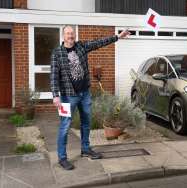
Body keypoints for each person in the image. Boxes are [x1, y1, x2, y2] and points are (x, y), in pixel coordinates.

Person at [50, 25, 130, 170]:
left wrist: (118, 37)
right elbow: (54, 76)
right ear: (63, 36)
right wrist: (56, 96)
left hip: (84, 93)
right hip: (67, 97)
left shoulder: (81, 46)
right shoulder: (57, 53)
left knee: (86, 122)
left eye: (72, 33)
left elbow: (99, 42)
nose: (70, 36)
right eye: (68, 34)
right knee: (64, 127)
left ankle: (85, 149)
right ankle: (62, 158)